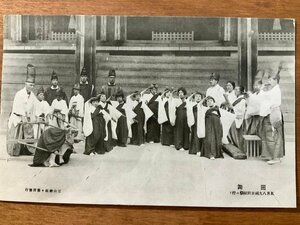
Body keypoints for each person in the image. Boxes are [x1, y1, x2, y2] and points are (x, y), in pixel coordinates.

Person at [7, 64, 37, 156]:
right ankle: (15, 151)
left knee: (29, 130)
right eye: (30, 85)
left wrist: (33, 117)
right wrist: (23, 115)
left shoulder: (33, 96)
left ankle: (28, 150)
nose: (31, 87)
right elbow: (17, 107)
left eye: (33, 85)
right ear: (25, 84)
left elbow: (35, 107)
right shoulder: (19, 94)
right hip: (18, 117)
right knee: (17, 134)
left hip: (27, 119)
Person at [259, 72, 285, 165]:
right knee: (273, 136)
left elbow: (265, 97)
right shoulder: (274, 89)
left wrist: (261, 89)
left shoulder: (275, 90)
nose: (268, 82)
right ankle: (274, 156)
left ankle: (275, 157)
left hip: (273, 113)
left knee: (272, 136)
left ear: (276, 80)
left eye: (270, 80)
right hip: (273, 113)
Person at [227, 86, 247, 151]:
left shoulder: (242, 100)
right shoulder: (237, 98)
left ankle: (239, 148)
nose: (235, 91)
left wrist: (232, 108)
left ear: (240, 91)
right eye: (235, 89)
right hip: (234, 117)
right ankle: (235, 147)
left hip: (237, 118)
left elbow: (241, 110)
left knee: (236, 134)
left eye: (237, 90)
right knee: (232, 134)